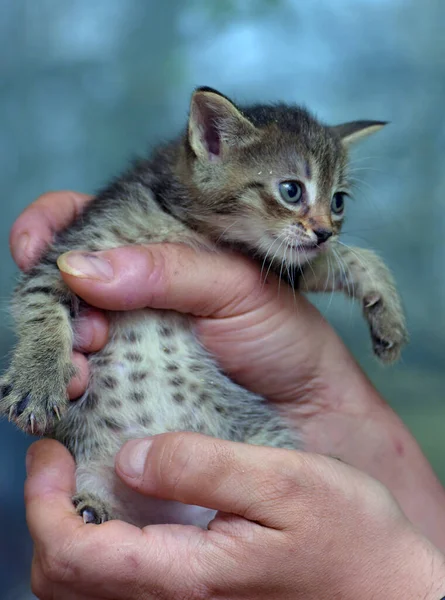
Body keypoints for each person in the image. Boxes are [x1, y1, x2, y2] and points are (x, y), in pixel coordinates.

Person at [9, 191, 445, 599]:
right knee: (89, 502)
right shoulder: (135, 213)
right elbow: (47, 284)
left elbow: (298, 260)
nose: (324, 224)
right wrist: (45, 354)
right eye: (292, 191)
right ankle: (98, 508)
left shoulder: (254, 240)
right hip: (111, 471)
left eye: (336, 200)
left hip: (230, 436)